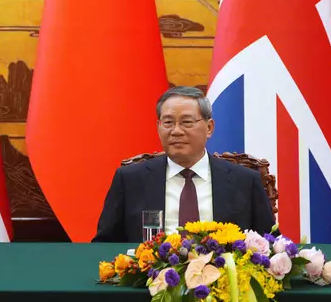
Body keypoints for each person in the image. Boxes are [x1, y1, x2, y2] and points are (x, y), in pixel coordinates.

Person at [93, 86, 274, 242]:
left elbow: (270, 244)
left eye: (187, 122)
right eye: (168, 122)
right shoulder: (130, 180)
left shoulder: (245, 181)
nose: (176, 131)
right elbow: (104, 244)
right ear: (158, 127)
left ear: (209, 127)